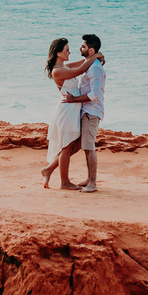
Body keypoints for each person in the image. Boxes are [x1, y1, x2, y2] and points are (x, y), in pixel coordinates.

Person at [40, 38, 102, 189]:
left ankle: (48, 170)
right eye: (67, 50)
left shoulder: (64, 66)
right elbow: (80, 70)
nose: (70, 52)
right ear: (59, 53)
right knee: (67, 147)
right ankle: (64, 182)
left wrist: (94, 56)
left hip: (74, 109)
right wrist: (96, 55)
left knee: (75, 145)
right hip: (67, 110)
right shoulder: (58, 71)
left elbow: (81, 64)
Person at [60, 34, 105, 193]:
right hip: (86, 111)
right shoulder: (89, 64)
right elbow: (73, 68)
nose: (80, 49)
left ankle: (93, 183)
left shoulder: (95, 68)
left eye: (83, 47)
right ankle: (89, 179)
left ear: (91, 50)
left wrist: (73, 100)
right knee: (86, 146)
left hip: (91, 112)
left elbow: (95, 94)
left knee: (89, 147)